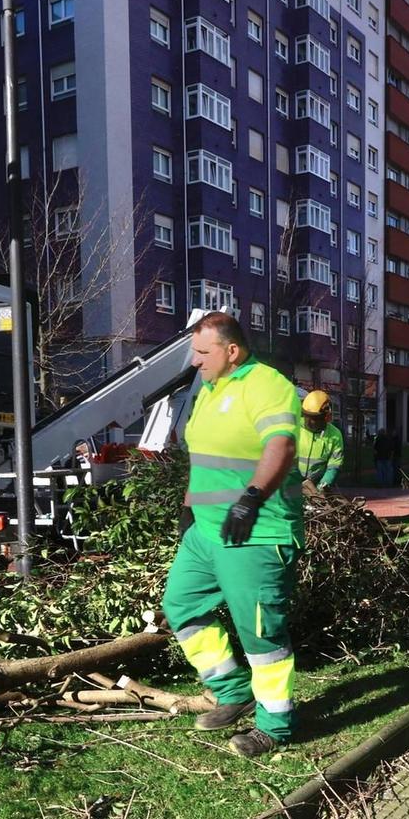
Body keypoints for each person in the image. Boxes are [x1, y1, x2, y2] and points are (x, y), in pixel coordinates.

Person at [163, 313, 304, 759]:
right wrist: (189, 508)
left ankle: (275, 725)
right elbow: (203, 459)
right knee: (182, 605)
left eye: (203, 352)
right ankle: (231, 690)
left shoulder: (265, 384)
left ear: (232, 351)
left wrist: (252, 499)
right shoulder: (208, 389)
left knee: (261, 635)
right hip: (206, 532)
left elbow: (281, 445)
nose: (195, 359)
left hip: (256, 531)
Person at [298, 389, 345, 490]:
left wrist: (323, 487)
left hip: (317, 484)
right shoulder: (294, 427)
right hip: (292, 485)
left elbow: (334, 465)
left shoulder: (335, 435)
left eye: (316, 419)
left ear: (326, 417)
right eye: (309, 417)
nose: (312, 422)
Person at [373, 423, 401, 487]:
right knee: (388, 471)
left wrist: (375, 457)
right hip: (387, 457)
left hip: (380, 457)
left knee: (380, 471)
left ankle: (381, 483)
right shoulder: (389, 439)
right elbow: (392, 448)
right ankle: (389, 483)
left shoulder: (377, 439)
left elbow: (375, 449)